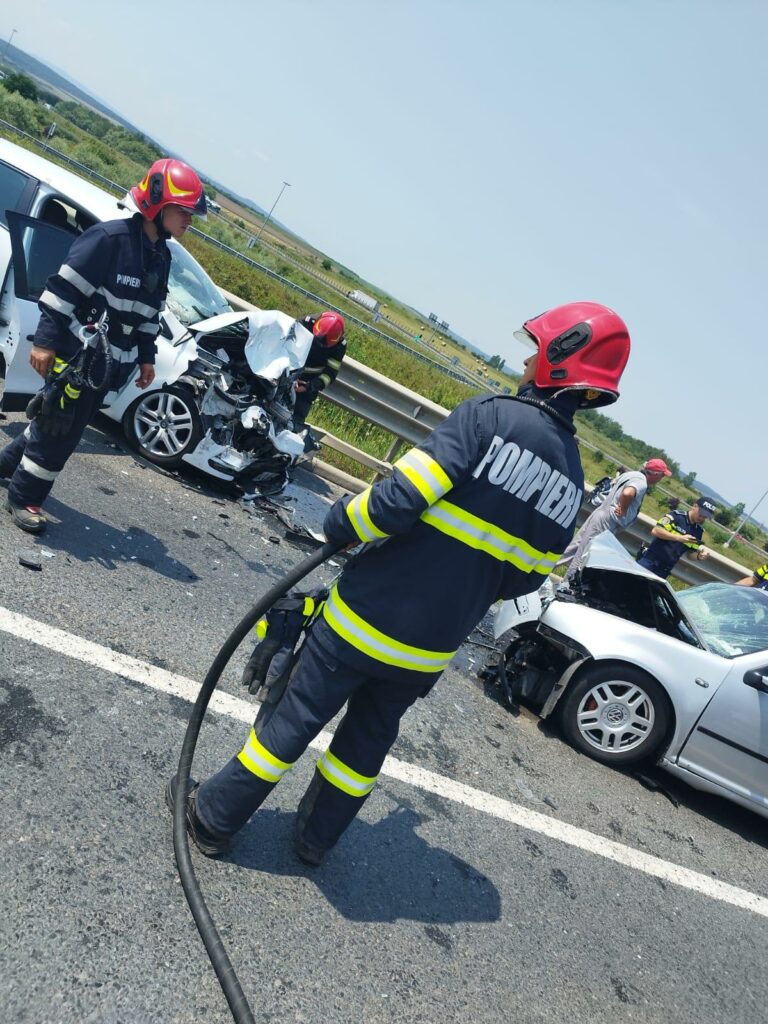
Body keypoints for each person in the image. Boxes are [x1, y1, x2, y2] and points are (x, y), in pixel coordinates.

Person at [167, 301, 631, 864]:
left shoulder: (488, 417)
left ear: (559, 357)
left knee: (291, 722)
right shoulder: (572, 479)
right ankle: (315, 841)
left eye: (538, 347)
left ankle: (213, 818)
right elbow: (525, 578)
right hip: (428, 651)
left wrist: (339, 522)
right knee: (364, 746)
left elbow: (396, 502)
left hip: (367, 616)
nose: (529, 356)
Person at [0, 158, 207, 533]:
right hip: (77, 357)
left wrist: (147, 358)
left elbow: (149, 314)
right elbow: (61, 292)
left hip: (109, 369)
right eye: (184, 211)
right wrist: (44, 342)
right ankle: (25, 497)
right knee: (60, 427)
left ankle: (6, 466)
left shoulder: (160, 255)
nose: (190, 221)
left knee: (56, 422)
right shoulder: (109, 240)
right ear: (157, 205)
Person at [559, 457, 672, 581]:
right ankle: (565, 586)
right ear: (655, 474)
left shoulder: (632, 474)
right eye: (662, 476)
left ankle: (541, 573)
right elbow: (628, 493)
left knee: (573, 548)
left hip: (601, 513)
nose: (661, 479)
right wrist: (623, 509)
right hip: (608, 521)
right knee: (583, 556)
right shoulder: (641, 482)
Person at [636, 496, 716, 578]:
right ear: (694, 506)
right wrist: (679, 538)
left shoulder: (698, 532)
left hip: (664, 570)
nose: (702, 518)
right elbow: (656, 531)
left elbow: (690, 554)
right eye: (701, 514)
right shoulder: (676, 516)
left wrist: (699, 556)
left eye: (705, 517)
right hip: (649, 561)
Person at [292, 311, 346, 429]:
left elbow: (330, 374)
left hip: (307, 386)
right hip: (286, 373)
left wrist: (310, 386)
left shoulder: (340, 346)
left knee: (295, 425)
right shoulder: (305, 323)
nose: (320, 342)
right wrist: (290, 373)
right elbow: (285, 342)